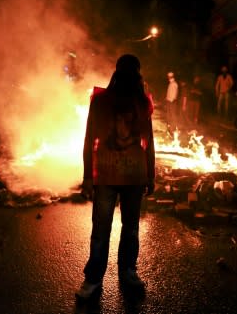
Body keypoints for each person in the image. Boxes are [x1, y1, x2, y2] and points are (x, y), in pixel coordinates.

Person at [77, 54, 155, 299]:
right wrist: (88, 176)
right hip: (108, 175)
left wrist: (150, 175)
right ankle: (96, 278)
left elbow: (148, 141)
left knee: (122, 229)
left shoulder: (141, 103)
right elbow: (90, 138)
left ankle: (125, 272)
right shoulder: (101, 102)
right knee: (106, 229)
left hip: (131, 175)